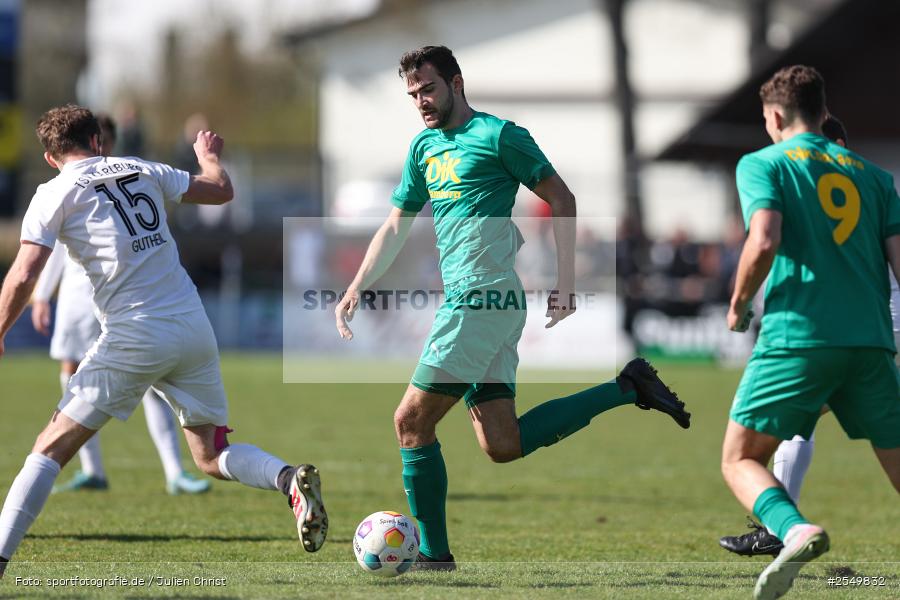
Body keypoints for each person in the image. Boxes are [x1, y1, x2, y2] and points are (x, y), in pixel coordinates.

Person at [334, 45, 690, 571]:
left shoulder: (500, 135)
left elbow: (563, 199)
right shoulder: (423, 148)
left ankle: (434, 556)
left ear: (456, 82)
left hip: (480, 301)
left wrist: (566, 283)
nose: (421, 101)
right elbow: (394, 225)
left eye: (428, 89)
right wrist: (358, 284)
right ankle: (627, 387)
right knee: (503, 443)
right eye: (412, 94)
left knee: (410, 422)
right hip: (481, 305)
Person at [0, 105, 327, 579]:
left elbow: (26, 272)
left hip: (134, 333)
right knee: (211, 455)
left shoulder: (52, 193)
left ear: (51, 158)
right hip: (192, 326)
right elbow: (220, 191)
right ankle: (286, 479)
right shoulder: (141, 166)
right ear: (97, 141)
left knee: (48, 448)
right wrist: (208, 156)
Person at [721, 67, 900, 599]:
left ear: (774, 117)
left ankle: (793, 530)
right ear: (823, 115)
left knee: (740, 457)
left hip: (798, 336)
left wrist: (738, 303)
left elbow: (764, 238)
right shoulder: (875, 177)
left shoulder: (763, 163)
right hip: (870, 342)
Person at [30, 113, 211, 496]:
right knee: (74, 369)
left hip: (130, 306)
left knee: (151, 381)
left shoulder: (117, 174)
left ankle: (174, 470)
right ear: (95, 141)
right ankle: (93, 468)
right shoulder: (78, 187)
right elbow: (54, 252)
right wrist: (44, 294)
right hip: (86, 298)